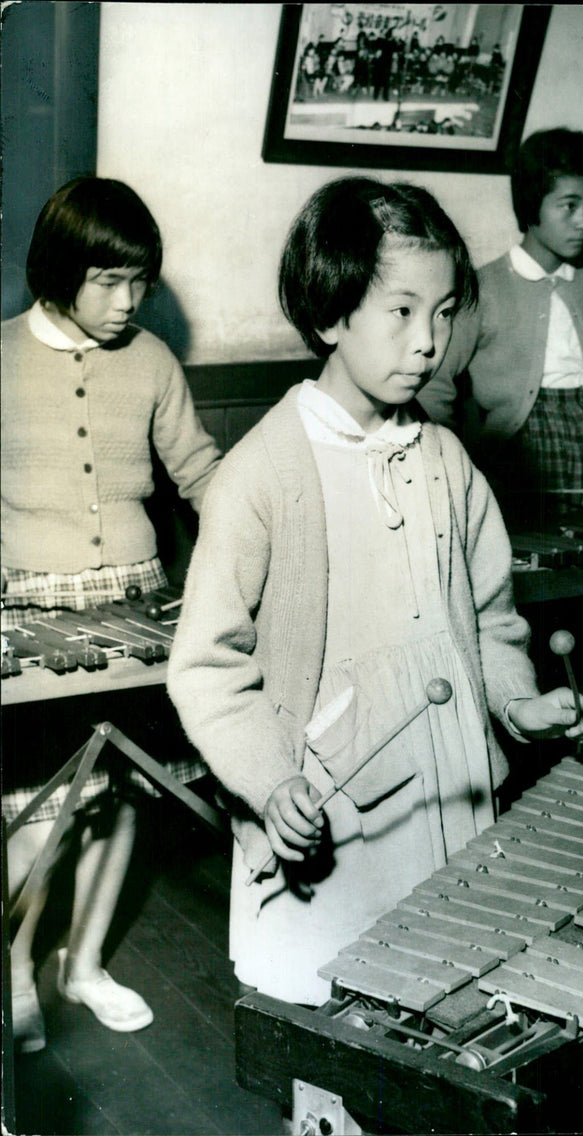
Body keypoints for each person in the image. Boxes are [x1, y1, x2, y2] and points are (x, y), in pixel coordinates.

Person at [166, 176, 583, 1006]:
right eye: (402, 311)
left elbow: (491, 622)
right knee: (334, 1033)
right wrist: (270, 780)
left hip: (452, 794)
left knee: (449, 1003)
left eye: (444, 313)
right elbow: (207, 667)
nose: (429, 341)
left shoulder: (447, 460)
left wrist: (518, 704)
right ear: (330, 314)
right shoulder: (260, 475)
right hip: (336, 813)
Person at [2, 176, 221, 1052]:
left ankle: (84, 964)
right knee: (40, 813)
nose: (129, 303)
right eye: (108, 281)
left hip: (137, 606)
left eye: (141, 283)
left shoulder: (154, 361)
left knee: (124, 795)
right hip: (30, 616)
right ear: (59, 270)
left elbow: (200, 469)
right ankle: (14, 964)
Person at [417, 128, 583, 521]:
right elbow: (434, 381)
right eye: (569, 205)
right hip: (513, 458)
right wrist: (449, 457)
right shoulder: (482, 288)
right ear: (532, 204)